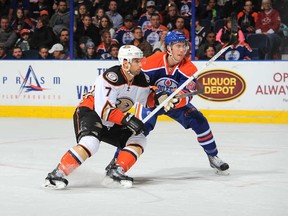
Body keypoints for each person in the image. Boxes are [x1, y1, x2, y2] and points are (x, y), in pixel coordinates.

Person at [42, 45, 168, 189]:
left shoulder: (141, 79)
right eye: (136, 61)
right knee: (91, 143)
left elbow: (148, 100)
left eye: (140, 61)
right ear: (125, 63)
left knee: (139, 139)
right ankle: (56, 174)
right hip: (90, 112)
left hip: (113, 120)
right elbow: (104, 111)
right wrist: (127, 119)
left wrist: (161, 99)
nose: (140, 64)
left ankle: (116, 170)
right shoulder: (110, 78)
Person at [107, 32, 230, 176]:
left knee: (199, 121)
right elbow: (141, 84)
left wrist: (177, 100)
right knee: (136, 130)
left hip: (173, 104)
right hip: (150, 101)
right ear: (169, 48)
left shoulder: (189, 68)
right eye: (178, 46)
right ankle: (116, 163)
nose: (182, 50)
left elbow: (188, 94)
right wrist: (157, 94)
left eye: (184, 46)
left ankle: (212, 156)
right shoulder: (152, 62)